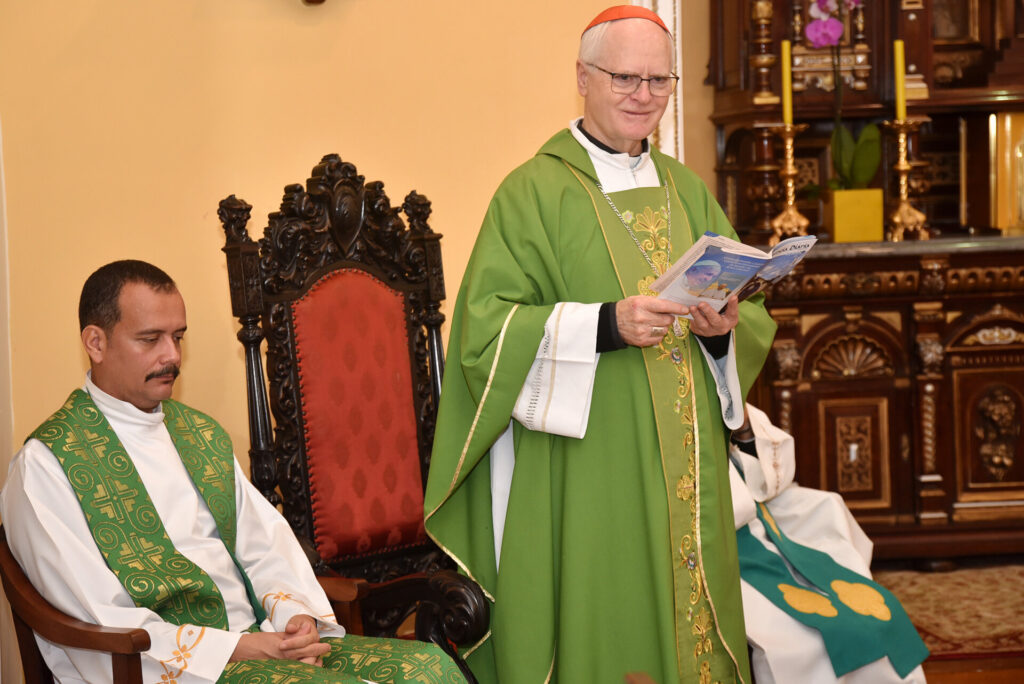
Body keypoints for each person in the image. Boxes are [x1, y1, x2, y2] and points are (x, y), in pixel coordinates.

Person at [423, 6, 776, 683]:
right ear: (582, 78)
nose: (644, 96)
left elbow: (745, 313)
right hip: (587, 470)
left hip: (686, 465)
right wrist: (605, 325)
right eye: (625, 78)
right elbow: (485, 333)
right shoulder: (533, 192)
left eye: (659, 80)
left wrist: (722, 332)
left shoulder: (687, 188)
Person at [1, 260, 464, 684]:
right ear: (95, 342)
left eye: (178, 337)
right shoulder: (48, 466)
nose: (172, 356)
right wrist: (237, 649)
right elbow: (96, 613)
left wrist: (294, 619)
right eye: (150, 339)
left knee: (428, 669)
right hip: (171, 668)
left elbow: (264, 547)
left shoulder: (198, 435)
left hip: (260, 640)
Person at [729, 405, 929, 684]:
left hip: (755, 524)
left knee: (873, 616)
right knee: (803, 640)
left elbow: (764, 472)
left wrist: (745, 429)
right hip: (719, 541)